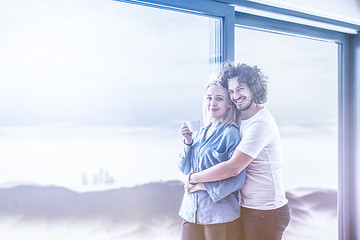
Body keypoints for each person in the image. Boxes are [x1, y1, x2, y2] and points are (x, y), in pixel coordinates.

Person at [187, 63, 290, 240]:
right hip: (246, 207)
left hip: (266, 211)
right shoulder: (240, 119)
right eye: (231, 91)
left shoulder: (260, 123)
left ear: (254, 88)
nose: (235, 96)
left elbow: (233, 168)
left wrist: (193, 178)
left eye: (240, 89)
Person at [178, 80, 246, 240]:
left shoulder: (231, 134)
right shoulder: (200, 132)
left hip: (219, 215)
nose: (212, 103)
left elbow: (238, 178)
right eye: (209, 98)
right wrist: (188, 141)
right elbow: (185, 168)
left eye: (219, 98)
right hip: (191, 211)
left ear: (229, 103)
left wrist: (202, 186)